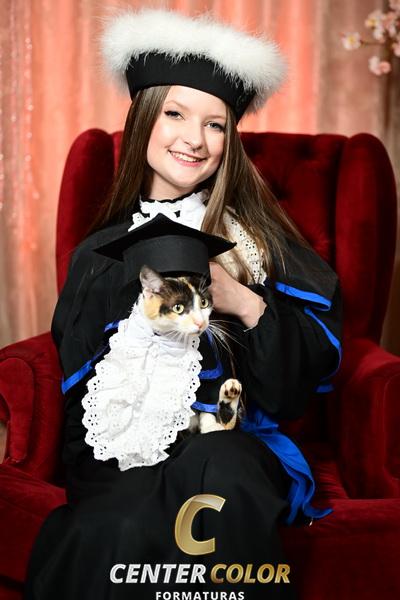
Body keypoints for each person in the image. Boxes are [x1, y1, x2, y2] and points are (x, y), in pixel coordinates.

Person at [23, 7, 343, 600]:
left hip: (230, 445)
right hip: (127, 455)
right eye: (175, 114)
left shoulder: (259, 241)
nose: (194, 139)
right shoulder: (97, 254)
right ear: (144, 117)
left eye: (215, 124)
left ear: (229, 140)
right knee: (112, 525)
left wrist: (241, 298)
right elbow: (78, 392)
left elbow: (296, 387)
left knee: (221, 473)